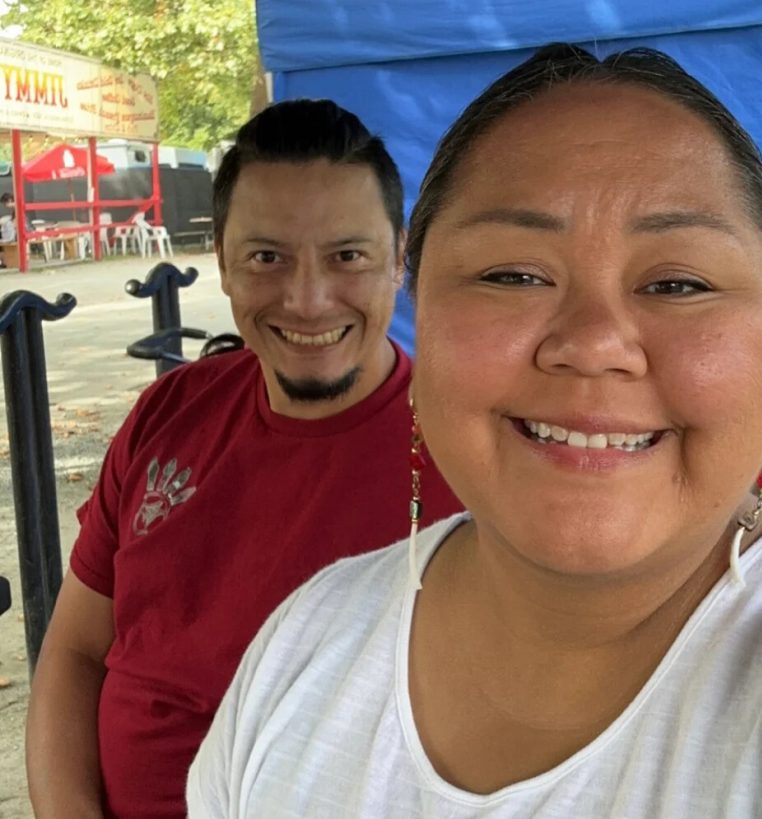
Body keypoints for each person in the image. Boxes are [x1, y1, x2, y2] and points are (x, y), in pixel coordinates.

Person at [188, 45, 762, 817]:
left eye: (679, 283)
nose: (592, 342)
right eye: (511, 274)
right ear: (422, 313)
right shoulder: (305, 642)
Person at [25, 99, 462, 819]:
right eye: (267, 258)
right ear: (221, 265)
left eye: (346, 256)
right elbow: (74, 651)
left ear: (399, 259)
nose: (308, 299)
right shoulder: (169, 412)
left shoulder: (469, 455)